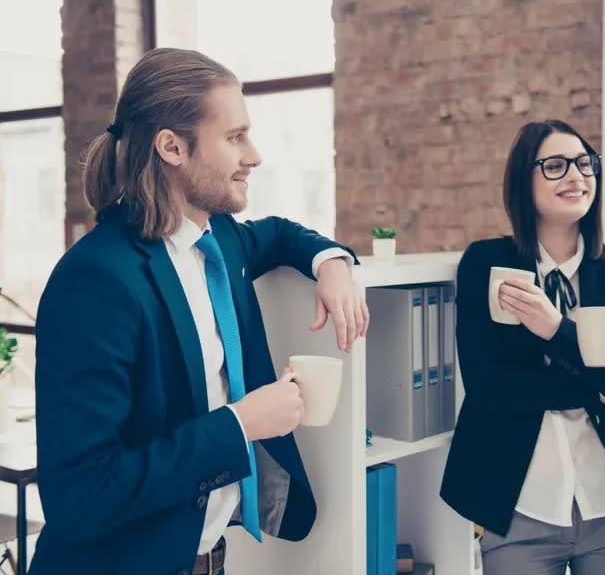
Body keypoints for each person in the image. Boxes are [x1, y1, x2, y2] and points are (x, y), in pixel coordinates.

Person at [31, 48, 369, 575]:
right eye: (235, 137)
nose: (253, 155)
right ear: (172, 147)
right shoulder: (94, 280)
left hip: (209, 561)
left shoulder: (222, 239)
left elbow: (279, 235)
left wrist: (331, 264)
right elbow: (81, 494)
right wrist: (240, 426)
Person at [440, 120, 605, 575]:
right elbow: (488, 387)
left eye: (584, 164)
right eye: (556, 166)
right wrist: (595, 382)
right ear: (524, 180)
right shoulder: (487, 263)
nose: (576, 176)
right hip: (517, 507)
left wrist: (556, 329)